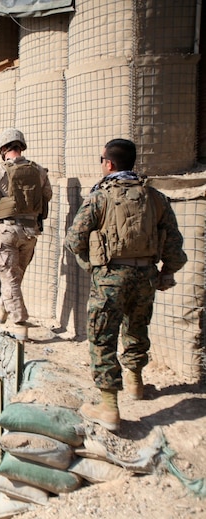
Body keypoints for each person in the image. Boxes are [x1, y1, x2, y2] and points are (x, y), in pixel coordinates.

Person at [64, 138, 187, 432]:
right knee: (136, 327)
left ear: (109, 164)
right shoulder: (154, 197)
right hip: (145, 276)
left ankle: (108, 406)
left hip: (109, 279)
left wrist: (91, 265)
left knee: (102, 337)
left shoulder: (99, 197)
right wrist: (167, 272)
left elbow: (73, 240)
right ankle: (135, 383)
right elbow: (173, 242)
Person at [0, 128, 52, 340]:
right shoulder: (40, 171)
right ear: (21, 146)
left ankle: (20, 322)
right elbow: (47, 195)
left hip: (5, 231)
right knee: (14, 277)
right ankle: (2, 313)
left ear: (3, 149)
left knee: (10, 280)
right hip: (30, 232)